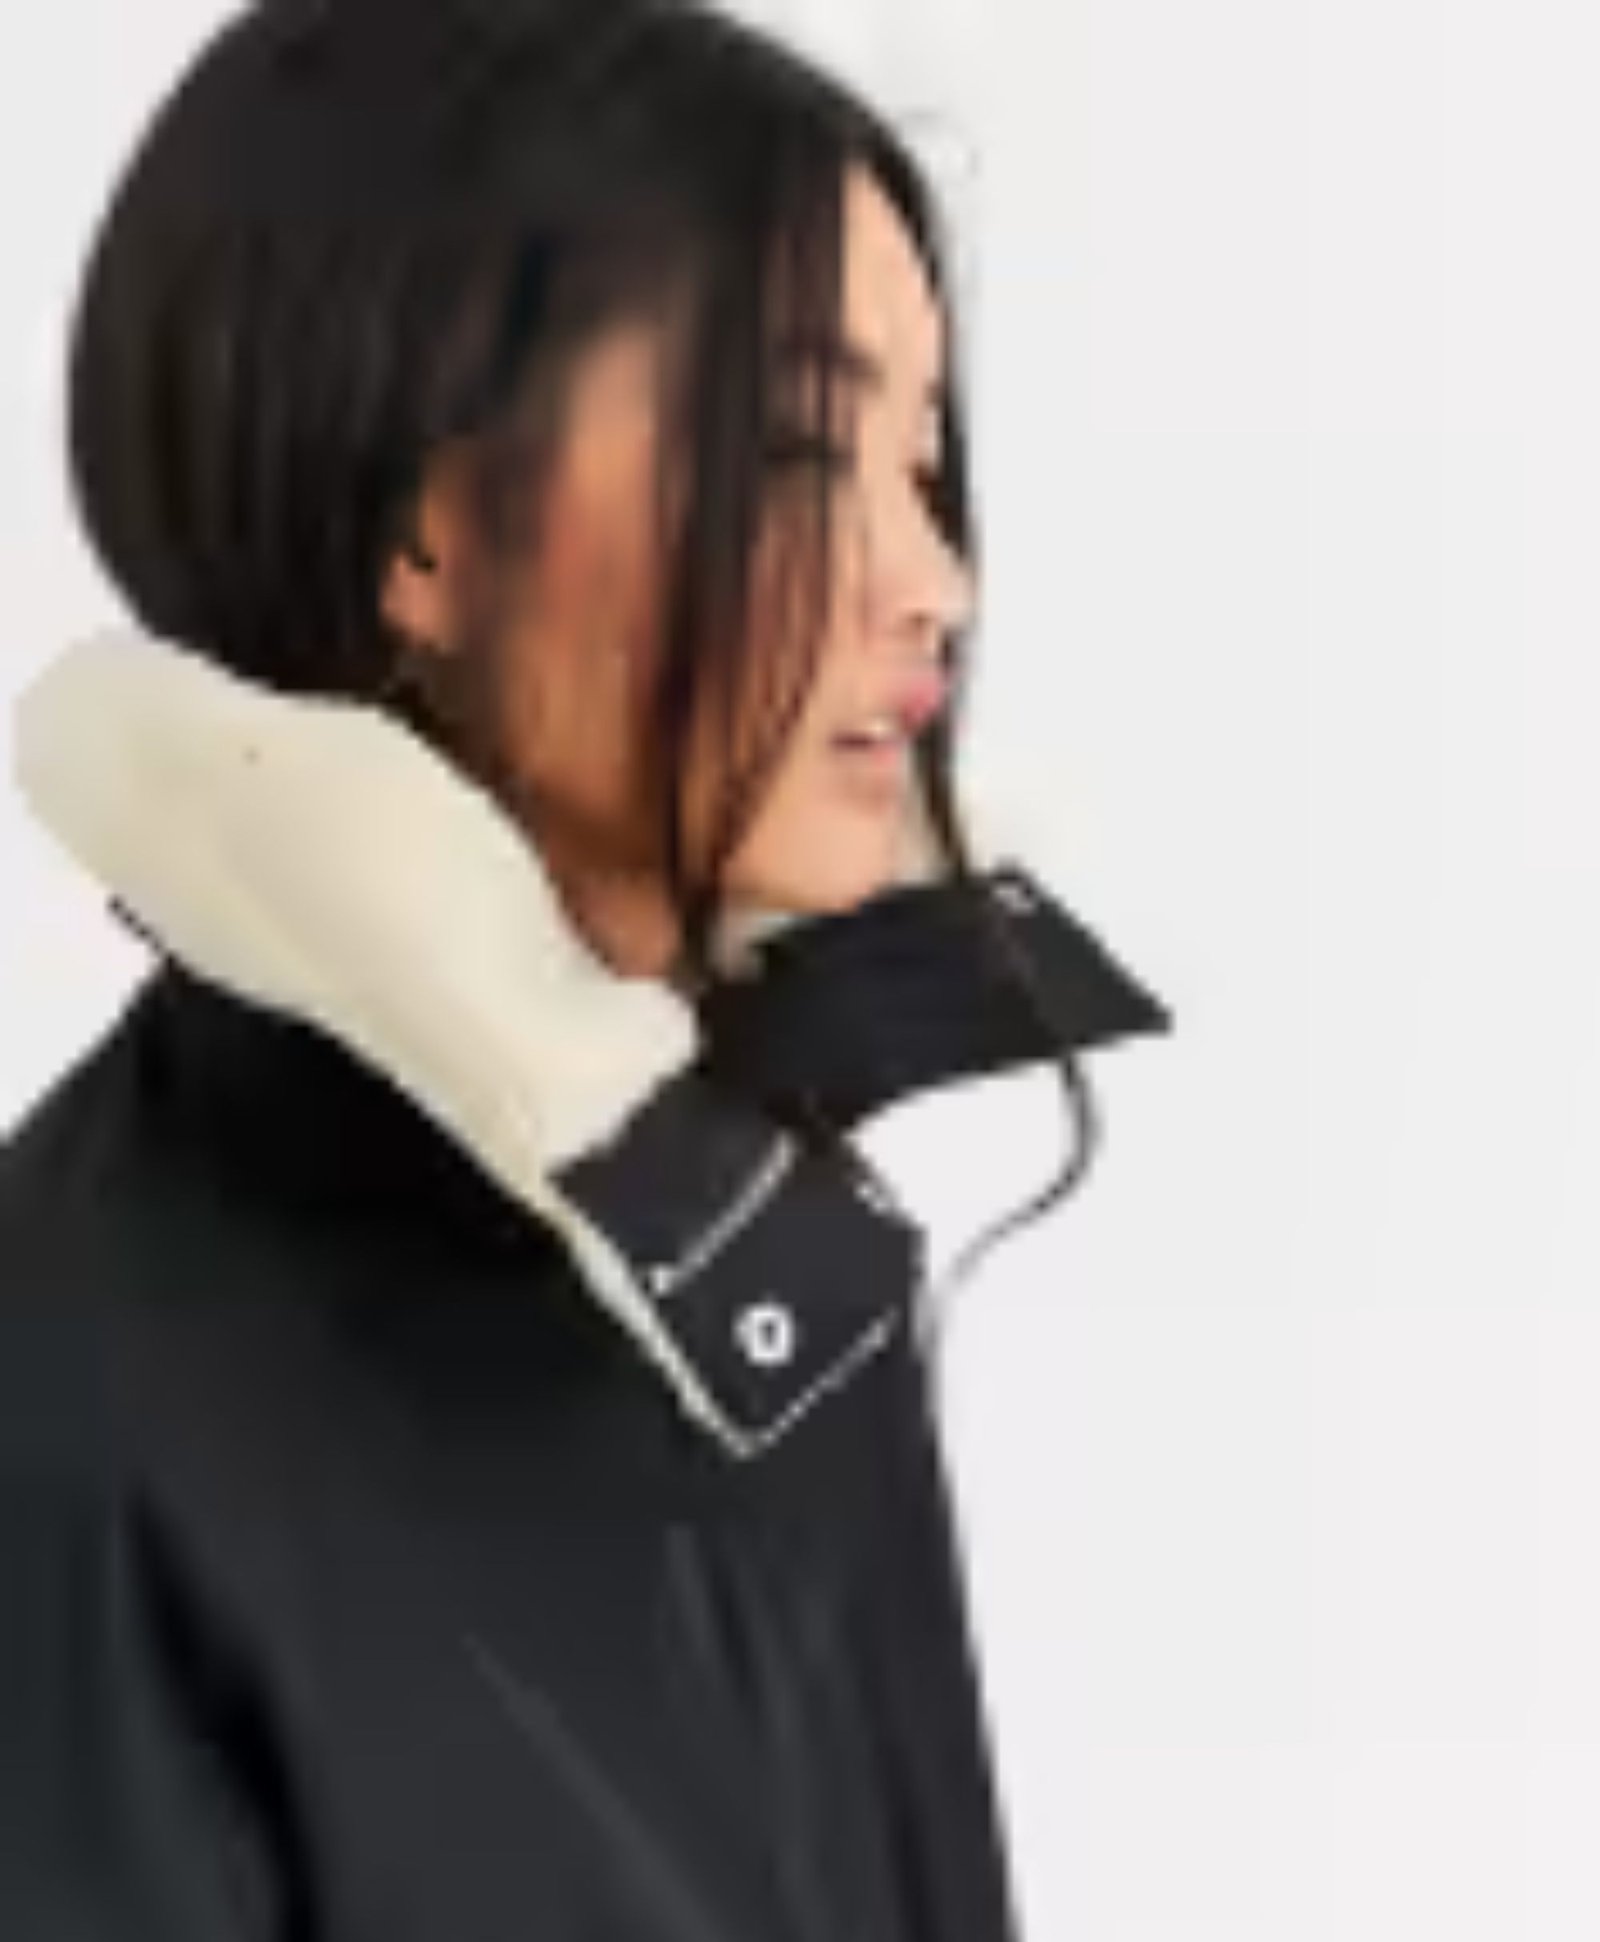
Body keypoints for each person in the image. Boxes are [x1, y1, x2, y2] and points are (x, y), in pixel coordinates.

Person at [0, 1, 1173, 1936]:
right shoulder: (62, 1397)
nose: (933, 581)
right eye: (796, 448)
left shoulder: (767, 1280)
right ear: (423, 527)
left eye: (924, 462)